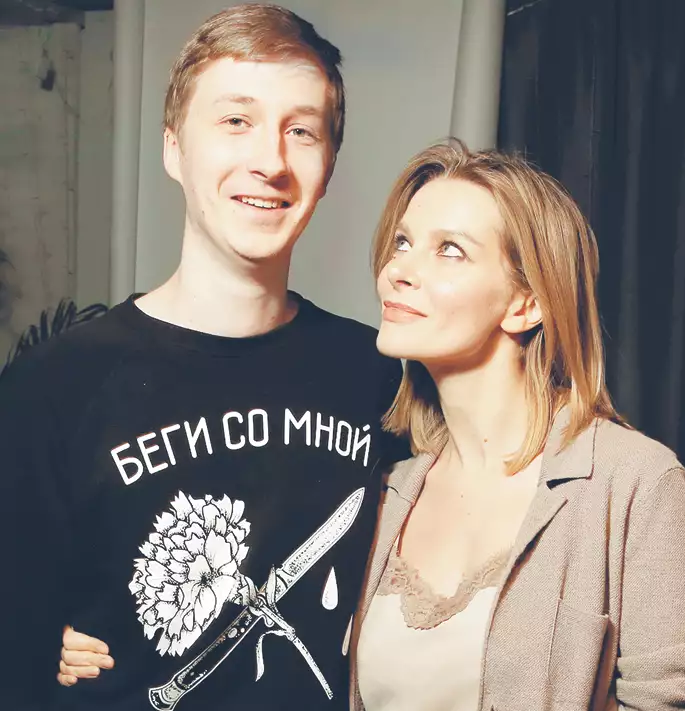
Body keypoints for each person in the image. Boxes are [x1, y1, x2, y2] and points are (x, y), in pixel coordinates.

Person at [56, 140, 685, 710]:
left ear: (526, 302)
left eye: (450, 251)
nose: (399, 270)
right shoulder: (387, 486)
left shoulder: (632, 486)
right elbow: (260, 601)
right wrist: (80, 636)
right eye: (403, 242)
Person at [1, 6, 406, 711]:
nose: (271, 161)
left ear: (328, 167)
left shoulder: (373, 373)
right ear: (172, 148)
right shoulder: (52, 387)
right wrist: (33, 640)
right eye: (235, 120)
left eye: (301, 131)